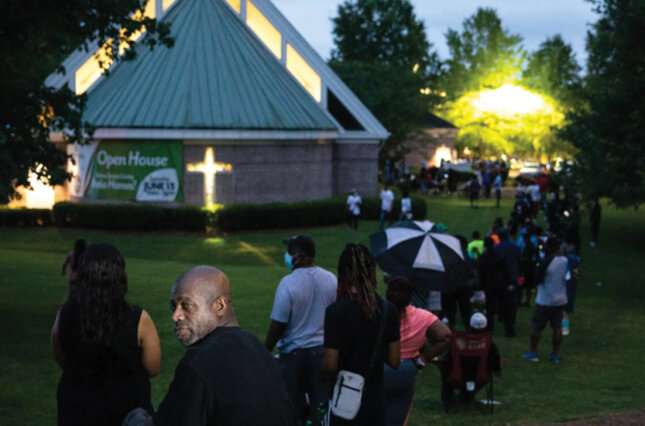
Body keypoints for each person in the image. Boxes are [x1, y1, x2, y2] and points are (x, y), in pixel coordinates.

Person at [124, 266, 297, 426]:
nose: (176, 316)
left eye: (186, 306)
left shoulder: (201, 361)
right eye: (174, 307)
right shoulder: (255, 347)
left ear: (220, 306)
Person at [51, 243, 161, 426]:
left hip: (75, 407)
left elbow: (61, 356)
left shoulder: (65, 315)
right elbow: (153, 368)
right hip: (126, 410)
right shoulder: (138, 318)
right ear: (120, 275)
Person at [323, 244, 401, 426]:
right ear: (372, 270)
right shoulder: (388, 310)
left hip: (345, 400)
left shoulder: (336, 311)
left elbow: (330, 364)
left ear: (344, 271)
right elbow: (395, 361)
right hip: (375, 399)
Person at [265, 235, 337, 424]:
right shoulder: (330, 279)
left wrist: (265, 350)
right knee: (320, 406)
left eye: (290, 252)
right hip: (322, 354)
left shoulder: (288, 283)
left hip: (293, 357)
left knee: (293, 408)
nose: (287, 256)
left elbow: (278, 324)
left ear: (300, 256)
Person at [383, 276, 451, 426]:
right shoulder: (422, 316)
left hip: (381, 367)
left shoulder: (376, 314)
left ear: (387, 293)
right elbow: (445, 336)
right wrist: (423, 358)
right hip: (407, 370)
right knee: (398, 417)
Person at [522, 238, 568, 363]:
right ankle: (555, 354)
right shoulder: (565, 261)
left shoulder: (546, 261)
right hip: (561, 300)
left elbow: (537, 279)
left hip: (545, 299)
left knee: (536, 326)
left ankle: (533, 352)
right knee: (558, 327)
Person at [439, 313, 501, 405]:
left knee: (444, 366)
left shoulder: (459, 342)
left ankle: (449, 397)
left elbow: (449, 359)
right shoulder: (488, 344)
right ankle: (467, 395)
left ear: (470, 326)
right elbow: (496, 362)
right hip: (480, 379)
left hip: (457, 379)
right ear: (486, 326)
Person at [478, 237, 509, 332]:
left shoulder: (484, 257)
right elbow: (505, 269)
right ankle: (506, 325)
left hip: (489, 284)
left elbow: (481, 273)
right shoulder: (499, 255)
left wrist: (481, 284)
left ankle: (490, 327)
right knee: (502, 304)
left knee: (490, 307)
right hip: (500, 283)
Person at [494, 228, 521, 337]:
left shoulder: (497, 248)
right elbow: (519, 260)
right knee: (512, 301)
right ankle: (510, 319)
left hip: (501, 279)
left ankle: (502, 316)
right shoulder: (515, 247)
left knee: (501, 299)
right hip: (513, 277)